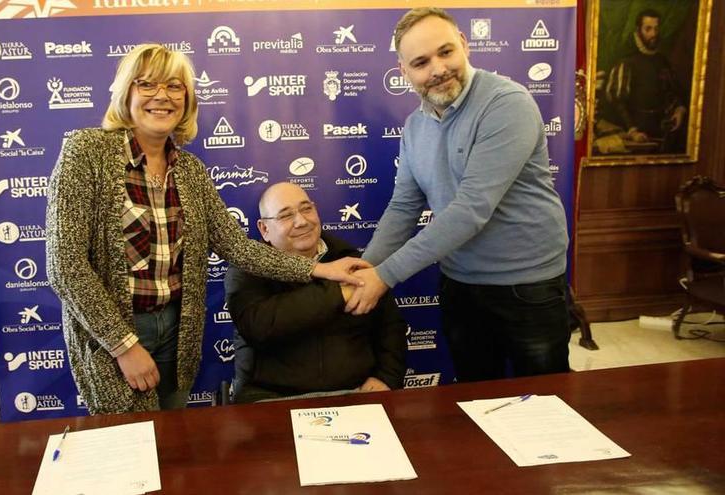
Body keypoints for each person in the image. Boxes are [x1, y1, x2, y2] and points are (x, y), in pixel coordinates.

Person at [45, 44, 366, 415]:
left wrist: (320, 269)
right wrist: (123, 344)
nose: (162, 96)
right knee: (129, 447)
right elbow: (65, 265)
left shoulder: (191, 170)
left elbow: (237, 247)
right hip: (112, 332)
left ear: (188, 99)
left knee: (172, 439)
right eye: (147, 84)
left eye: (175, 86)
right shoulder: (86, 152)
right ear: (126, 92)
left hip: (178, 332)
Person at [345, 8, 570, 383]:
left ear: (464, 45)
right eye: (420, 62)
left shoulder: (506, 104)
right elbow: (403, 207)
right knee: (475, 398)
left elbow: (470, 210)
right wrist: (366, 270)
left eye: (445, 52)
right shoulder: (415, 127)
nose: (437, 69)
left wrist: (385, 276)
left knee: (547, 401)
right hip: (460, 285)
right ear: (405, 72)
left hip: (527, 288)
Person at [225, 182, 406, 403]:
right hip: (272, 398)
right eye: (285, 215)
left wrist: (386, 377)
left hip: (355, 392)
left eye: (306, 209)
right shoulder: (246, 269)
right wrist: (338, 292)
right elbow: (259, 326)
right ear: (264, 229)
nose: (301, 221)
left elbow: (390, 326)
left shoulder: (352, 259)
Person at [603, 8, 687, 153]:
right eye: (648, 29)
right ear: (638, 30)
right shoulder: (626, 61)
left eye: (656, 29)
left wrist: (680, 109)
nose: (653, 34)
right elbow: (616, 102)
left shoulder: (662, 61)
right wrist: (632, 131)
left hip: (660, 132)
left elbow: (672, 92)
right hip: (634, 133)